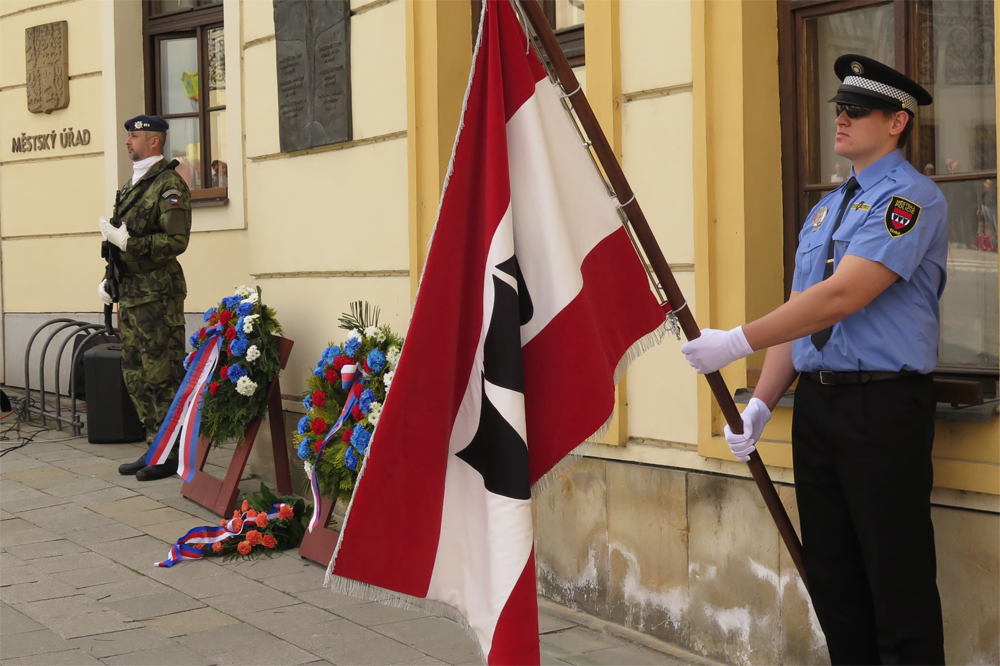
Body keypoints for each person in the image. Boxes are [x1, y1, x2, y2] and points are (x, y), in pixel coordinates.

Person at [680, 55, 947, 664]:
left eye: (857, 110)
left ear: (897, 122)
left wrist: (737, 341)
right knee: (832, 571)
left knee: (894, 571)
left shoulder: (910, 200)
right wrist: (761, 402)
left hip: (883, 406)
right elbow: (801, 313)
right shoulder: (827, 210)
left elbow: (842, 296)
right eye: (839, 109)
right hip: (821, 405)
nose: (842, 119)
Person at [98, 115, 192, 482]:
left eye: (134, 136)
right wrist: (109, 279)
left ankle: (170, 453)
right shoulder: (130, 185)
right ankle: (155, 446)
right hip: (133, 295)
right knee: (135, 375)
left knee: (161, 375)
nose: (128, 142)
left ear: (154, 141)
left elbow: (175, 242)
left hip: (159, 297)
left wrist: (129, 243)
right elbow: (118, 244)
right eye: (128, 136)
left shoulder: (169, 186)